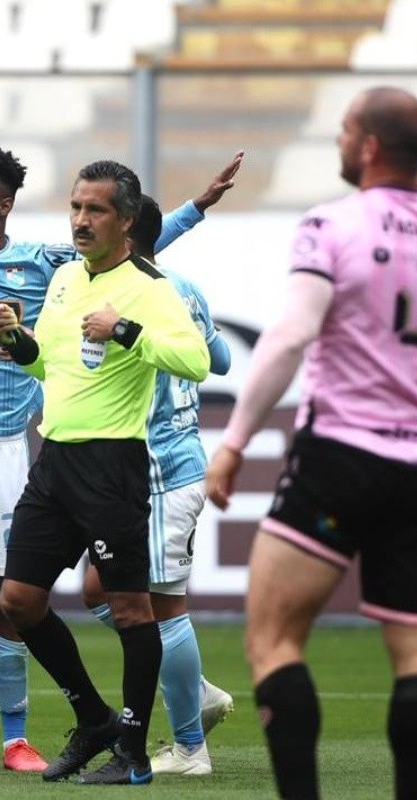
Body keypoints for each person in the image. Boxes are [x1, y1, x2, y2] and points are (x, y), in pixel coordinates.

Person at [0, 87, 239, 772]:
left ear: (4, 204)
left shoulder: (49, 268)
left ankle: (45, 739)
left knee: (62, 605)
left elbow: (142, 268)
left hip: (31, 452)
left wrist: (191, 215)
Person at [205, 86, 417, 800]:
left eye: (344, 130)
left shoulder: (332, 225)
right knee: (413, 657)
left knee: (273, 641)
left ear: (369, 147)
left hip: (339, 457)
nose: (336, 141)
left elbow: (291, 336)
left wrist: (235, 440)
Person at [0, 160, 209, 785]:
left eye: (96, 210)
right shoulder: (63, 279)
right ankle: (93, 718)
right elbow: (52, 368)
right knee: (18, 601)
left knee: (133, 610)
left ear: (127, 220)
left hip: (112, 464)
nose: (81, 220)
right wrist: (19, 343)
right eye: (76, 207)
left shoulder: (150, 287)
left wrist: (126, 330)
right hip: (54, 461)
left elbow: (194, 361)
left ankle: (134, 751)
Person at [81, 193, 233, 776]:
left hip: (164, 470)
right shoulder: (185, 289)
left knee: (163, 609)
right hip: (132, 474)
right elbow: (218, 361)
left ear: (122, 233)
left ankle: (191, 747)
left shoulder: (117, 298)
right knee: (99, 591)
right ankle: (194, 687)